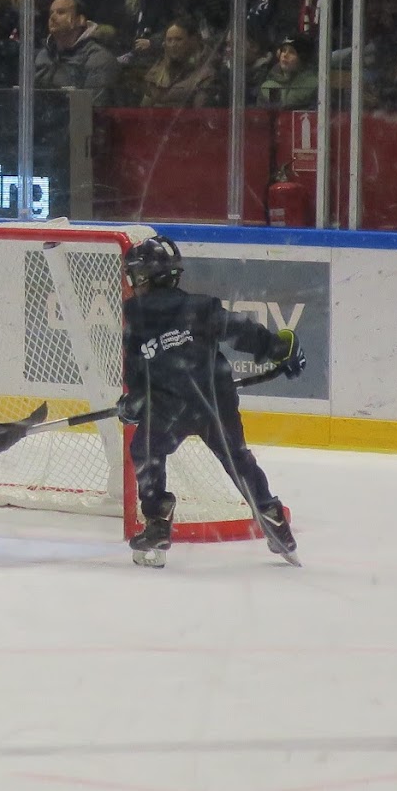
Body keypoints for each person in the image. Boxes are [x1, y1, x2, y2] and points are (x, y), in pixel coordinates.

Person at [116, 235, 306, 568]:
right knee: (238, 460)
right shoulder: (200, 307)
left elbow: (137, 376)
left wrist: (133, 404)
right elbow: (241, 332)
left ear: (144, 276)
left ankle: (158, 520)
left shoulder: (135, 321)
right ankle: (272, 519)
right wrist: (279, 349)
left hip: (169, 408)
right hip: (214, 400)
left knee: (146, 452)